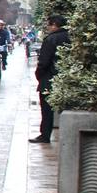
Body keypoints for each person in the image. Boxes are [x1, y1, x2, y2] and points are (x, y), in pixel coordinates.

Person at [31, 14, 70, 144]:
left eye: (49, 25)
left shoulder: (51, 39)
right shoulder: (70, 37)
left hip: (49, 78)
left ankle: (45, 135)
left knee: (47, 109)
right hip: (66, 78)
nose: (47, 28)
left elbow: (43, 62)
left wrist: (39, 75)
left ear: (54, 25)